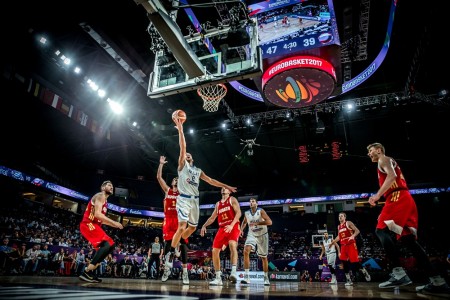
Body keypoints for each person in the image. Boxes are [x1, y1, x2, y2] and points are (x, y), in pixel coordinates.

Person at [367, 142, 450, 293]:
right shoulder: (387, 161)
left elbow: (391, 176)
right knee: (409, 241)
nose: (369, 154)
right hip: (404, 199)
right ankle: (437, 281)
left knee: (381, 230)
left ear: (379, 150)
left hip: (397, 197)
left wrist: (377, 196)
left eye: (371, 150)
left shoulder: (383, 159)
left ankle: (398, 273)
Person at [164, 117, 237, 275]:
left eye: (190, 155)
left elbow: (211, 181)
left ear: (193, 159)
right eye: (186, 155)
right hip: (183, 199)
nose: (187, 155)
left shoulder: (198, 171)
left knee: (192, 227)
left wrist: (226, 186)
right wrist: (181, 130)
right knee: (182, 226)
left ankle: (176, 244)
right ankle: (170, 253)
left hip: (195, 201)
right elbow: (183, 147)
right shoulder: (182, 166)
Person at [79, 180, 123, 283]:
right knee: (107, 244)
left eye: (112, 186)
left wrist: (114, 225)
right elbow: (98, 215)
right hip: (88, 224)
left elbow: (102, 220)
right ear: (103, 188)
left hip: (94, 225)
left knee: (111, 245)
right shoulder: (100, 195)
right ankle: (86, 271)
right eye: (109, 185)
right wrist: (114, 222)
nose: (111, 187)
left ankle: (90, 271)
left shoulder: (105, 202)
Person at [200, 187, 241, 286]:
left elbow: (239, 213)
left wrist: (232, 225)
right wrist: (204, 225)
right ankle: (218, 278)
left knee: (232, 245)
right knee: (214, 251)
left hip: (233, 225)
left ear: (229, 191)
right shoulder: (218, 204)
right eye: (222, 188)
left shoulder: (232, 199)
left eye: (225, 188)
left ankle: (234, 271)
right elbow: (213, 217)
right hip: (222, 228)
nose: (223, 189)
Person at [157, 155, 188, 284]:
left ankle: (185, 273)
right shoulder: (167, 190)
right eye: (174, 179)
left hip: (179, 220)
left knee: (185, 246)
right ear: (172, 183)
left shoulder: (182, 192)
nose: (176, 180)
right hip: (169, 220)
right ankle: (167, 270)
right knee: (167, 246)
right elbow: (159, 177)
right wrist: (161, 164)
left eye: (177, 179)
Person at [329, 212, 371, 286]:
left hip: (351, 245)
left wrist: (353, 236)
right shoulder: (339, 226)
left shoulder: (348, 223)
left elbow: (357, 231)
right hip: (343, 246)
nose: (340, 217)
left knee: (354, 262)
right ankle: (348, 280)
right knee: (344, 263)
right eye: (339, 216)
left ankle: (364, 271)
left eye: (341, 216)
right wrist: (332, 243)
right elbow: (339, 237)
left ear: (345, 217)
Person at [240, 197, 273, 286]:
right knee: (246, 250)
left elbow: (270, 222)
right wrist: (241, 230)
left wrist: (257, 223)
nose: (251, 203)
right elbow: (244, 222)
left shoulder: (261, 211)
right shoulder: (246, 213)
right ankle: (246, 277)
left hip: (263, 235)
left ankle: (266, 278)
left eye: (253, 201)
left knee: (264, 258)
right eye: (250, 202)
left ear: (257, 204)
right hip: (252, 234)